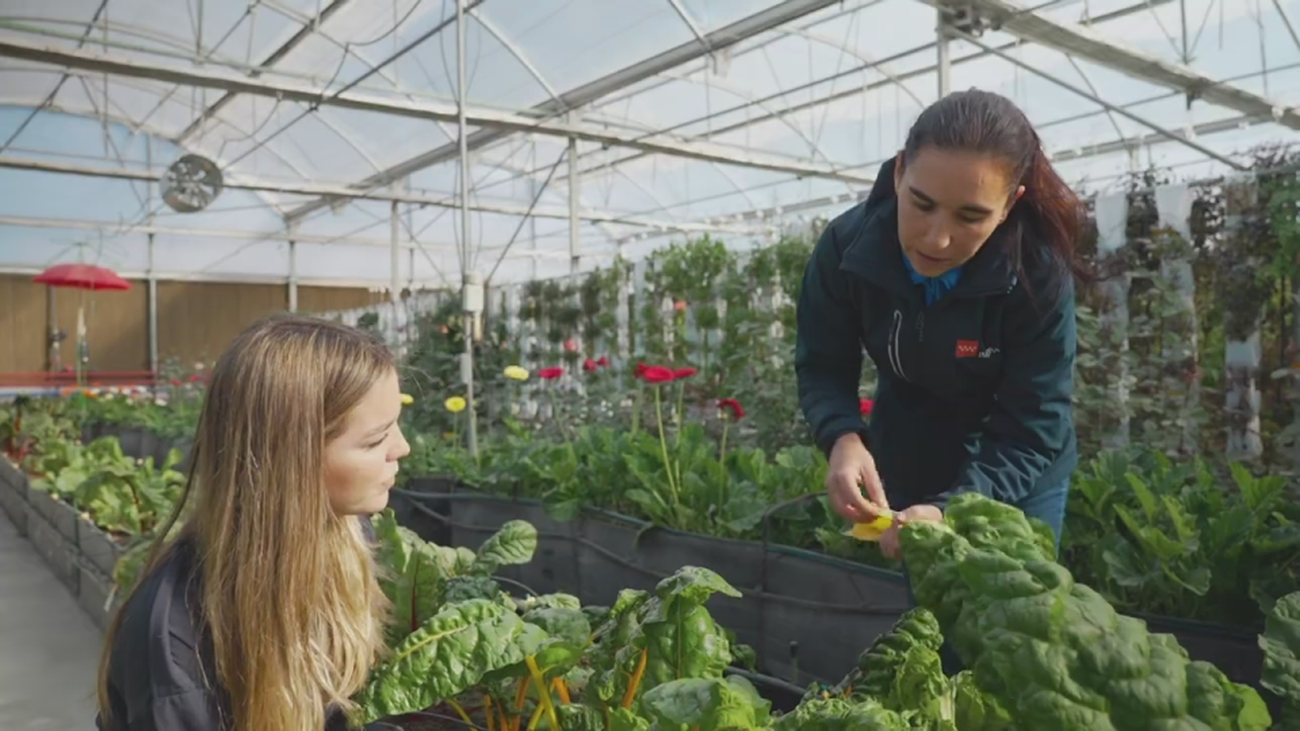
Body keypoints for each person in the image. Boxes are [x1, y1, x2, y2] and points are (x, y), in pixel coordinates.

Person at [795, 89, 1086, 561]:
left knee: (1013, 620)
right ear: (898, 172)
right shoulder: (847, 250)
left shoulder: (1036, 275)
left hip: (1019, 470)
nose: (938, 238)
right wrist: (842, 438)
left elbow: (1033, 423)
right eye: (921, 203)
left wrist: (955, 508)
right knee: (930, 618)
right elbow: (823, 364)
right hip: (912, 455)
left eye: (971, 216)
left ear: (1010, 204)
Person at [95, 314, 412, 731]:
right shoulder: (179, 645)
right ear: (290, 461)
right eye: (375, 440)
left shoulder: (346, 534)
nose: (402, 448)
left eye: (396, 427)